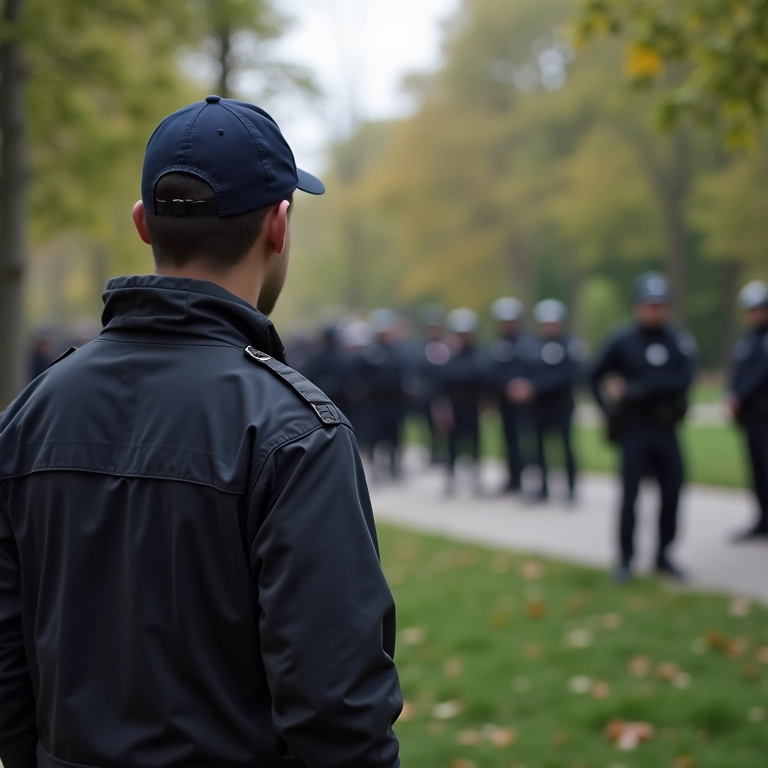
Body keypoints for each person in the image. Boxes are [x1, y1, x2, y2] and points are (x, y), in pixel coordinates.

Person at [0, 96, 401, 768]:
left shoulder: (29, 414)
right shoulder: (297, 433)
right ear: (279, 224)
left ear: (142, 224)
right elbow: (337, 713)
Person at [589, 272, 697, 584]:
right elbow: (593, 375)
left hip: (666, 428)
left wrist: (636, 389)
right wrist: (605, 409)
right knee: (630, 494)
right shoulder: (622, 340)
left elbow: (683, 380)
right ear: (638, 306)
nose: (654, 311)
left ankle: (664, 554)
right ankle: (625, 559)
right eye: (649, 305)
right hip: (634, 429)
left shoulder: (677, 339)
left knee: (673, 490)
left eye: (660, 305)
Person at [512, 299, 582, 504]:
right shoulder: (532, 346)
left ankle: (571, 489)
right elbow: (524, 370)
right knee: (538, 449)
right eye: (546, 323)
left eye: (553, 322)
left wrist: (534, 387)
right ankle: (542, 488)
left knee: (566, 447)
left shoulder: (569, 345)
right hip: (538, 407)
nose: (549, 327)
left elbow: (568, 375)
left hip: (562, 406)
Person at [726, 280, 768, 542]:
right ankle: (763, 519)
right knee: (757, 471)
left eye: (760, 309)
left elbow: (761, 373)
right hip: (751, 418)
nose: (755, 314)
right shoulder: (747, 341)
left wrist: (738, 395)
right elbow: (739, 372)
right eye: (751, 309)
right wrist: (731, 394)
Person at [485, 297, 537, 493]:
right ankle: (513, 479)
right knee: (509, 442)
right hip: (505, 402)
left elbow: (532, 369)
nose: (507, 325)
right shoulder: (497, 346)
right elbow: (491, 372)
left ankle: (532, 482)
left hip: (526, 404)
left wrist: (525, 386)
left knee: (528, 442)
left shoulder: (527, 344)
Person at [435, 308, 486, 496]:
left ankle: (475, 479)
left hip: (472, 406)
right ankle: (451, 480)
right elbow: (442, 380)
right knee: (451, 445)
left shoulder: (479, 354)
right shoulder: (447, 355)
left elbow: (481, 376)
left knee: (474, 443)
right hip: (453, 407)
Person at [359, 309, 407, 480]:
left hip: (394, 401)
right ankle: (375, 468)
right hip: (375, 402)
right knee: (375, 436)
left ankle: (394, 466)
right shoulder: (370, 353)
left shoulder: (398, 351)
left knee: (394, 435)